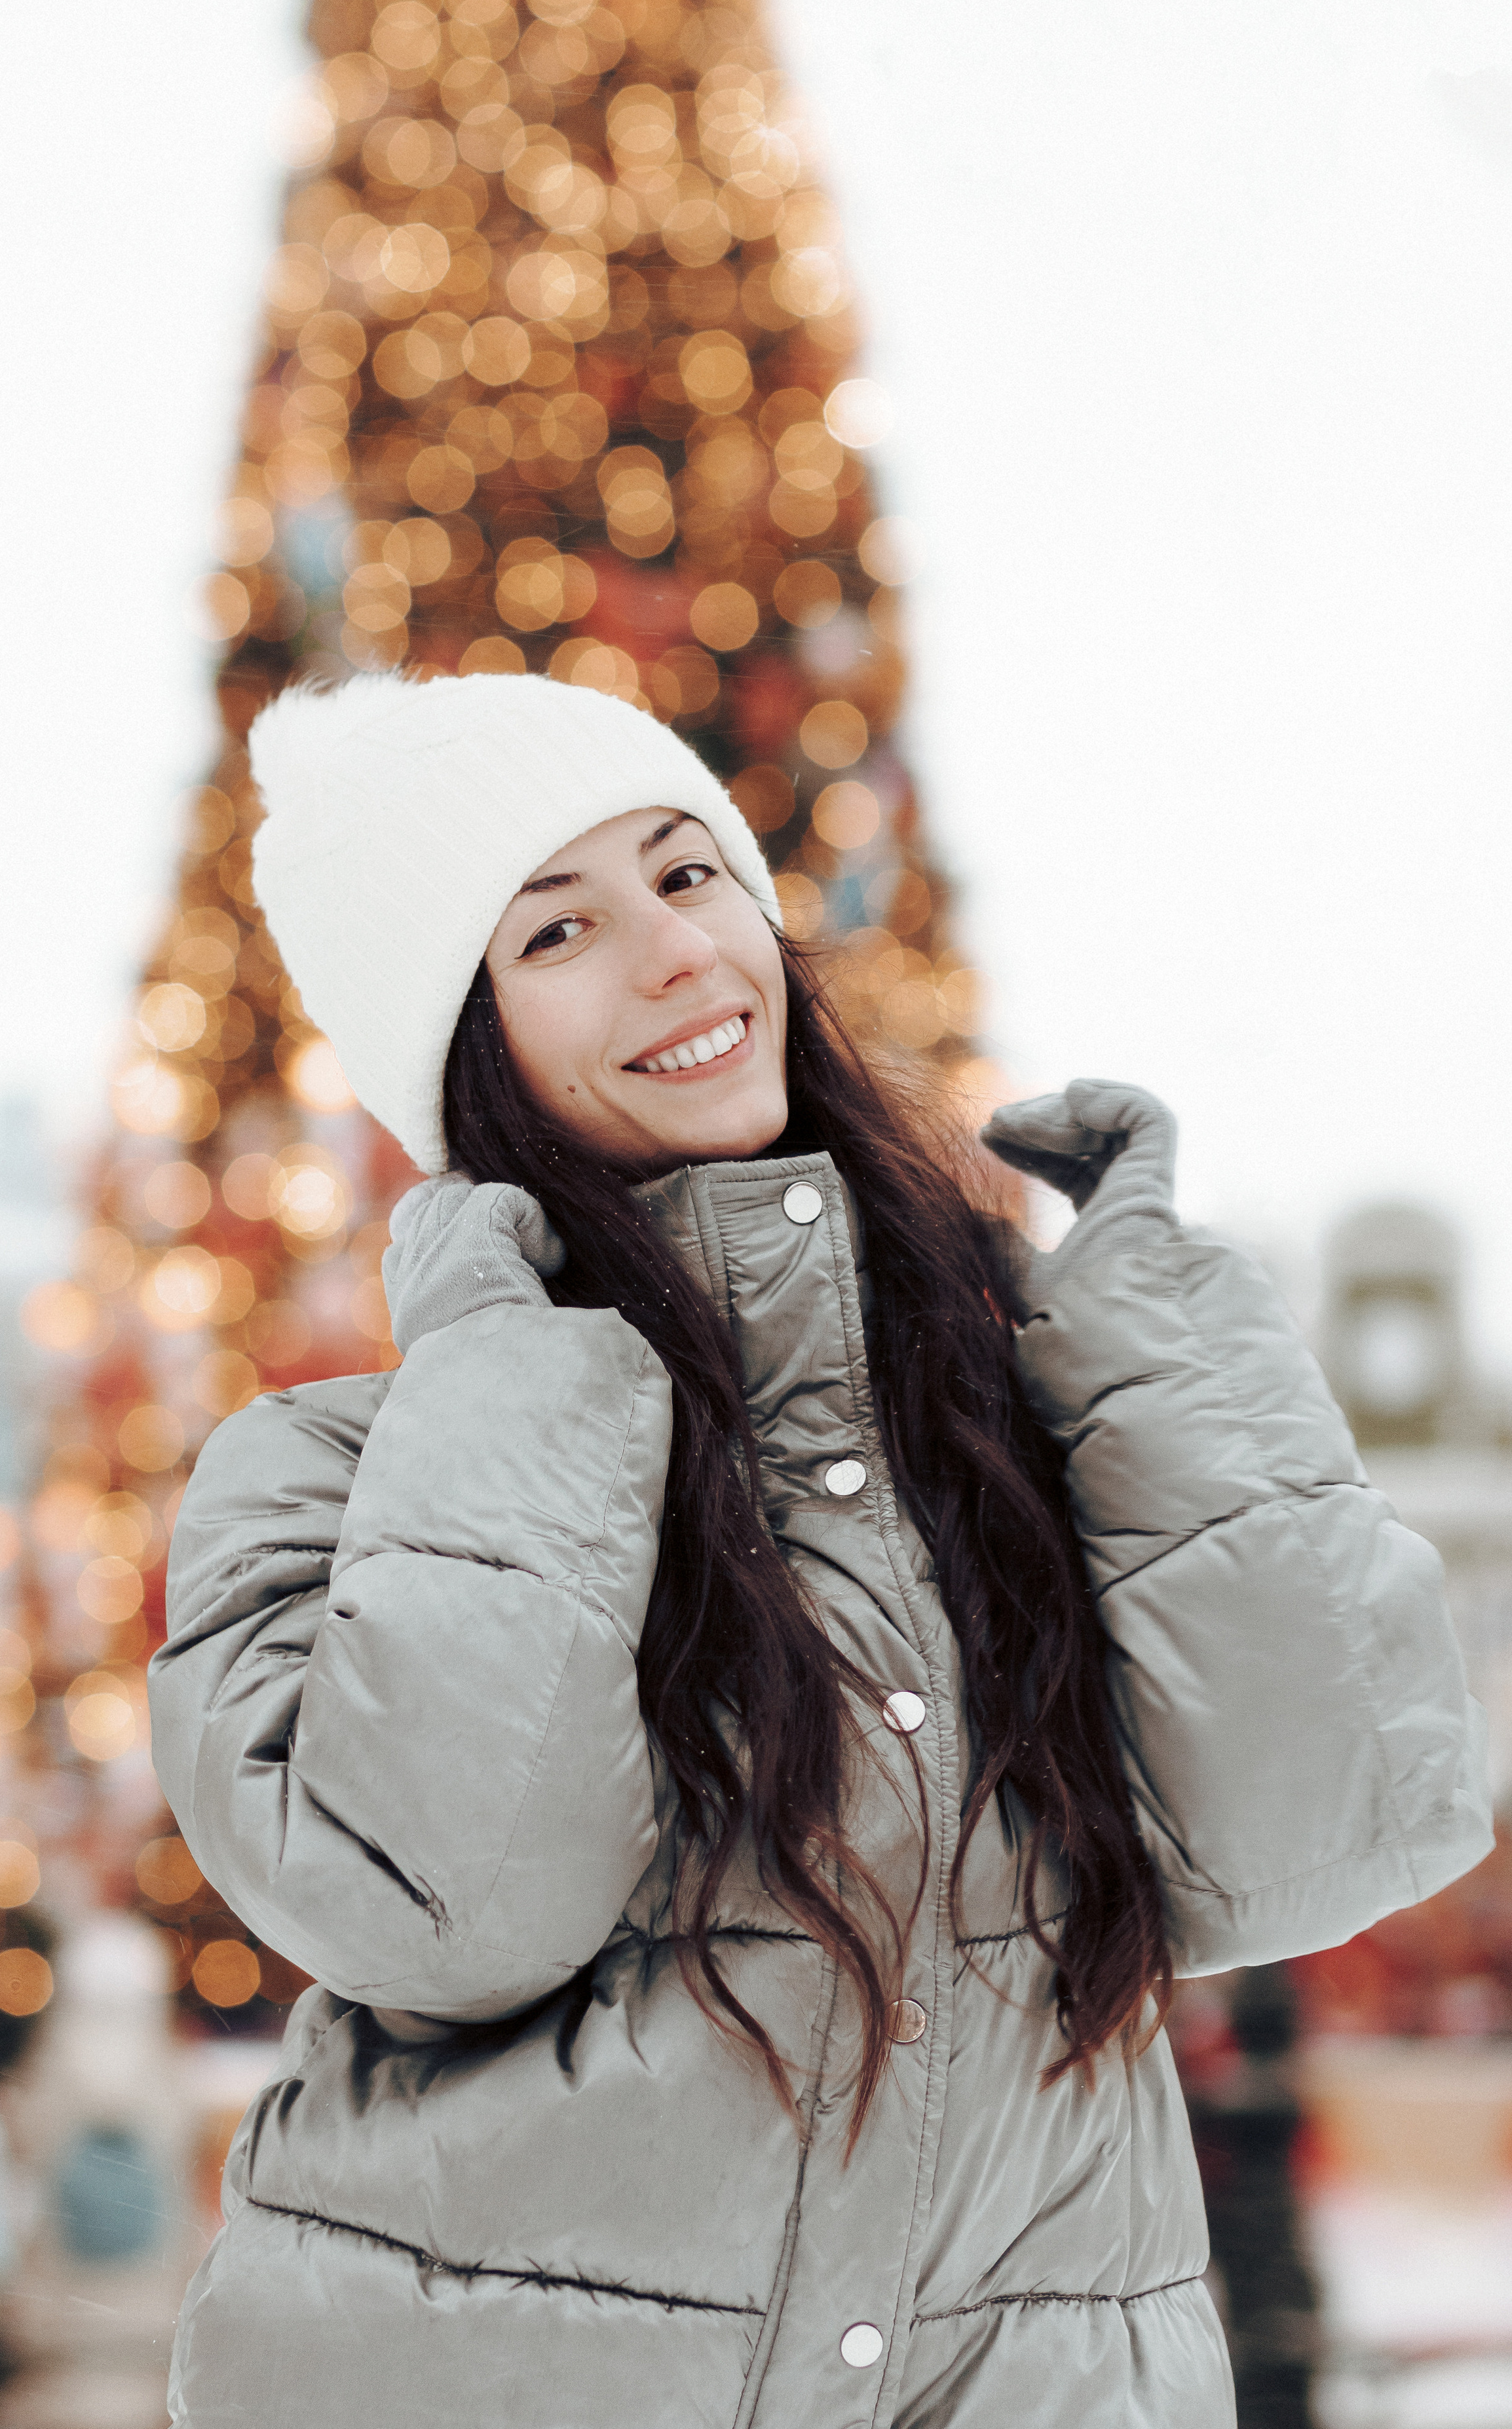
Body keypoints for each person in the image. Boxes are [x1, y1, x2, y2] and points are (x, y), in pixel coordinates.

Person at [148, 668, 1491, 2429]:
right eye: (558, 932)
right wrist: (511, 1387)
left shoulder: (1031, 1417)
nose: (674, 954)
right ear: (461, 1052)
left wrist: (1163, 1344)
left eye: (686, 874)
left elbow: (1327, 1838)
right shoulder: (327, 1484)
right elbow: (456, 1912)